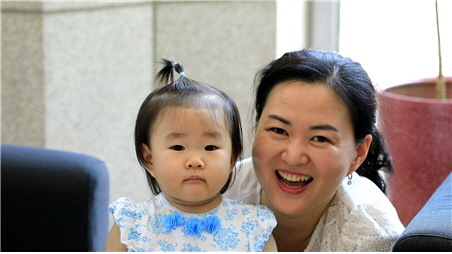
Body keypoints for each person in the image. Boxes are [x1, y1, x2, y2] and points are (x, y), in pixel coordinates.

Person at [224, 48, 405, 252]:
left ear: (358, 154)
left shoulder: (370, 236)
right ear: (257, 126)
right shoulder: (220, 191)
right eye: (279, 130)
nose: (293, 157)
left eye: (320, 138)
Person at [105, 59, 277, 252]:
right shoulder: (132, 227)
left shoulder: (254, 228)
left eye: (210, 147)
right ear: (149, 159)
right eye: (178, 147)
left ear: (232, 159)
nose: (195, 161)